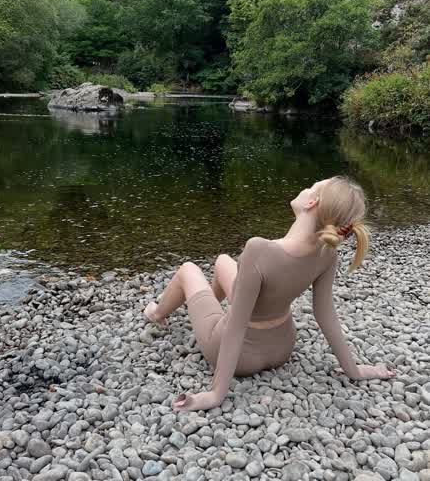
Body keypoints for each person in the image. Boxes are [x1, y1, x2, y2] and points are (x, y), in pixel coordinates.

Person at [144, 176, 396, 412]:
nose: (306, 188)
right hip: (282, 347)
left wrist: (216, 394)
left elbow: (236, 326)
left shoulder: (259, 250)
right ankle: (207, 308)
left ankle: (157, 313)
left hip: (242, 357)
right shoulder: (326, 253)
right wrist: (355, 371)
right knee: (222, 261)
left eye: (312, 186)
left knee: (188, 270)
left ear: (311, 202)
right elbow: (325, 316)